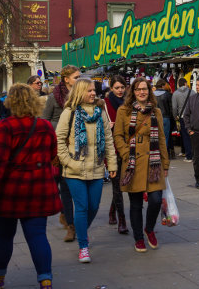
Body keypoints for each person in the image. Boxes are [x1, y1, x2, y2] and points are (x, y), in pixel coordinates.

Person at [0, 83, 61, 289]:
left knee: (4, 236)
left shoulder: (5, 127)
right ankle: (45, 280)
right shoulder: (45, 126)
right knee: (38, 236)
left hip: (10, 192)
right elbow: (52, 156)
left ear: (11, 102)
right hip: (39, 190)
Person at [55, 78, 117, 263]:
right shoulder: (69, 112)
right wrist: (68, 162)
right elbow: (59, 140)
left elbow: (108, 140)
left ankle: (81, 230)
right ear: (79, 92)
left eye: (93, 90)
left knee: (94, 206)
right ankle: (83, 246)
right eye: (89, 90)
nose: (93, 93)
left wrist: (112, 164)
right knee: (81, 207)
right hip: (74, 171)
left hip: (97, 167)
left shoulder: (100, 112)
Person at [113, 78, 170, 253]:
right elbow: (118, 136)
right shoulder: (124, 110)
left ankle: (149, 229)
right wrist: (125, 153)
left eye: (144, 89)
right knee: (136, 204)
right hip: (133, 163)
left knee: (154, 200)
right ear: (133, 92)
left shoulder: (156, 111)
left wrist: (165, 163)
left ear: (149, 91)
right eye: (138, 90)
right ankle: (139, 238)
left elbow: (161, 138)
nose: (142, 92)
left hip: (153, 163)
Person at [41, 64, 80, 242]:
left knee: (77, 186)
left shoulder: (83, 95)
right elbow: (45, 121)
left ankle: (71, 217)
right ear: (66, 79)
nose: (78, 80)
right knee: (64, 184)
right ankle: (70, 224)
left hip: (79, 145)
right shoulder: (54, 97)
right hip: (59, 146)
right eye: (76, 77)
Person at [104, 75, 129, 234]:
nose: (120, 91)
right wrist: (108, 125)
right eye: (117, 88)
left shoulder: (129, 103)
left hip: (126, 147)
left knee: (121, 184)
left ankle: (112, 210)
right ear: (111, 88)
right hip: (112, 149)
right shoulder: (105, 104)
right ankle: (122, 219)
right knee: (116, 184)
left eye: (122, 87)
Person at [172, 78, 194, 162]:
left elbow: (174, 107)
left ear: (178, 84)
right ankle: (197, 154)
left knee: (185, 136)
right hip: (192, 116)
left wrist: (175, 116)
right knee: (194, 135)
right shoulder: (192, 92)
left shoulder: (175, 94)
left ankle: (189, 156)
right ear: (185, 83)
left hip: (182, 117)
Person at [153, 79, 174, 159]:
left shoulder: (152, 95)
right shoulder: (167, 95)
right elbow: (171, 108)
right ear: (162, 85)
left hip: (154, 118)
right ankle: (164, 155)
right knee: (165, 137)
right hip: (165, 118)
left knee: (155, 136)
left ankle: (156, 154)